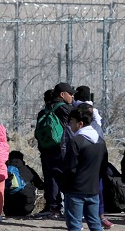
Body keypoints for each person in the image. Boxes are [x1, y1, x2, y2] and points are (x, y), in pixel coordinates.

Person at [60, 105, 108, 231]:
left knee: (75, 224)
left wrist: (65, 185)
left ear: (80, 123)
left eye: (72, 122)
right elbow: (104, 166)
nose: (70, 125)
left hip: (76, 189)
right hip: (93, 189)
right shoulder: (100, 141)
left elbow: (70, 167)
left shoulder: (76, 141)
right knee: (95, 223)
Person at [72, 86, 112, 228]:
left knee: (77, 220)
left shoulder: (90, 116)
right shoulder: (85, 116)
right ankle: (98, 216)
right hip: (90, 165)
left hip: (87, 166)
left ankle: (98, 216)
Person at [36, 83, 74, 218]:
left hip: (46, 149)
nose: (73, 96)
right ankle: (71, 208)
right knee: (68, 177)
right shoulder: (66, 109)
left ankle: (54, 208)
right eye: (71, 94)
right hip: (62, 148)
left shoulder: (44, 110)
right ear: (62, 95)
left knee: (51, 178)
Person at [3, 151, 44, 217]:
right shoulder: (28, 169)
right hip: (26, 208)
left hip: (9, 209)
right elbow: (40, 186)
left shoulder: (4, 170)